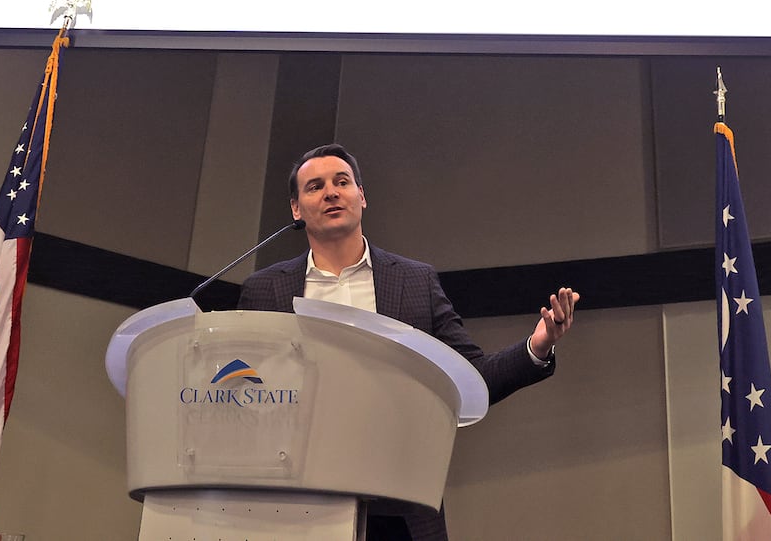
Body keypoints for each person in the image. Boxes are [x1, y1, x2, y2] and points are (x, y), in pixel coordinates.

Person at [239, 143, 579, 541]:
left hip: (400, 510)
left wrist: (536, 347)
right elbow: (247, 402)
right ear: (296, 209)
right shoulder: (264, 291)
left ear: (361, 197)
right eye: (315, 186)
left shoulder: (414, 280)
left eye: (342, 182)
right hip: (296, 507)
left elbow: (472, 377)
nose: (331, 192)